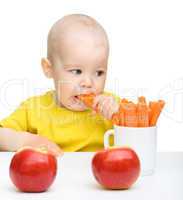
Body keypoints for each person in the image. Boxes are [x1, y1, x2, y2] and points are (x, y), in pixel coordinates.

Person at [0, 14, 120, 156]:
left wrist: (121, 119)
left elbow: (142, 137)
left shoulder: (111, 106)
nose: (88, 83)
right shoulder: (34, 109)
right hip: (49, 176)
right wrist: (25, 140)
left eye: (99, 72)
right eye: (76, 71)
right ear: (48, 68)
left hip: (98, 176)